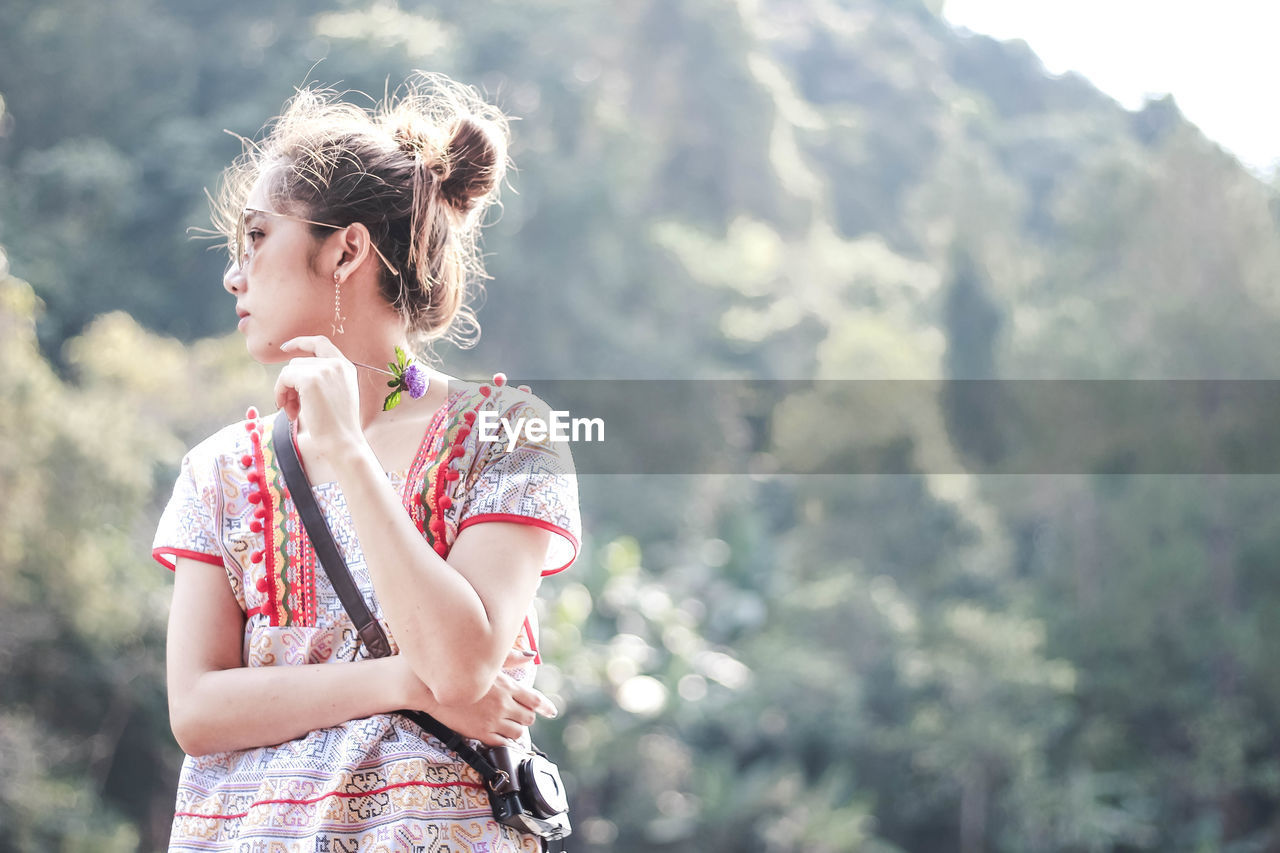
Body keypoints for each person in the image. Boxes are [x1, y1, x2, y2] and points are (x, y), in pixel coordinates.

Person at [151, 71, 582, 852]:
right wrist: (398, 683)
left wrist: (348, 455)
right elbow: (197, 711)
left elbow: (460, 666)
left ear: (347, 249)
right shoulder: (219, 469)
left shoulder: (508, 435)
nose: (233, 275)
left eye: (255, 237)